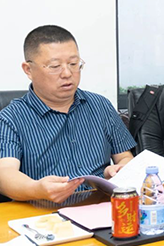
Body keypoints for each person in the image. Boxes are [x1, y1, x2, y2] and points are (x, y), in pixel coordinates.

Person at [0, 25, 136, 203]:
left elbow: (124, 156)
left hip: (101, 206)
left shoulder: (100, 105)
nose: (67, 73)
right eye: (55, 66)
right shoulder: (11, 118)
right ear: (28, 69)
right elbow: (5, 174)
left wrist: (119, 170)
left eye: (73, 64)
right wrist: (37, 189)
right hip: (44, 210)